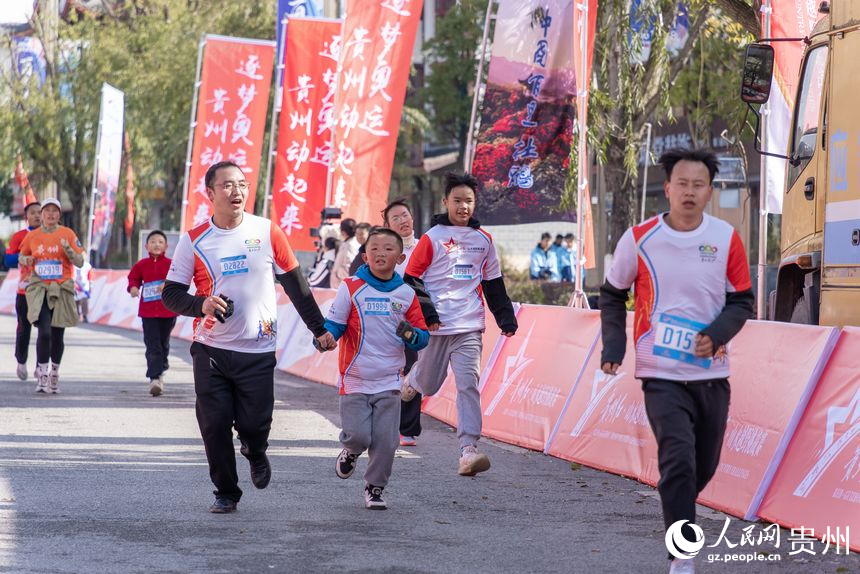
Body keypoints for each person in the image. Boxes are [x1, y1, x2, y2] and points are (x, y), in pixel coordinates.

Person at [599, 149, 754, 574]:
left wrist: (715, 335)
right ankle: (682, 557)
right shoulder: (640, 238)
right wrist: (613, 348)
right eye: (681, 184)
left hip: (712, 373)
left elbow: (743, 300)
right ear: (668, 189)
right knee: (679, 459)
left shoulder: (725, 238)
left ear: (709, 192)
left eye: (697, 184)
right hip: (661, 372)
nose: (689, 191)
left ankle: (677, 499)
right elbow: (612, 294)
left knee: (702, 466)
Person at [161, 160, 337, 514]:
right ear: (210, 193)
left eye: (241, 184)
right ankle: (225, 491)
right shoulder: (194, 241)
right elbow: (171, 294)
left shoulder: (267, 231)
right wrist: (202, 304)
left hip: (258, 347)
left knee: (256, 424)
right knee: (213, 425)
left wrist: (319, 329)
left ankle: (255, 450)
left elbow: (297, 286)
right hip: (211, 348)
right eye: (227, 185)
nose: (236, 191)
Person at [402, 172, 518, 476]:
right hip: (438, 327)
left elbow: (493, 283)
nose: (463, 206)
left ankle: (469, 450)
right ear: (446, 202)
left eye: (468, 201)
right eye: (457, 201)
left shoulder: (484, 240)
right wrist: (429, 316)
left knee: (469, 385)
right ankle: (413, 380)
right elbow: (411, 279)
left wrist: (505, 318)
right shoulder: (433, 237)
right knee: (429, 384)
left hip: (469, 327)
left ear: (475, 203)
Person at [323, 228, 429, 509]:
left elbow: (422, 334)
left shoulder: (406, 293)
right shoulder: (351, 286)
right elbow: (335, 323)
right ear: (365, 255)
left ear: (400, 256)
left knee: (386, 442)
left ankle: (375, 488)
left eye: (388, 249)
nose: (381, 253)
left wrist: (411, 335)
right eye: (375, 249)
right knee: (358, 435)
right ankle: (351, 450)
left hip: (389, 379)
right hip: (355, 377)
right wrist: (327, 337)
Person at [18, 198, 84, 394]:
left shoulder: (68, 234)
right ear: (42, 214)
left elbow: (80, 261)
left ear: (59, 215)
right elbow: (22, 256)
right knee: (44, 332)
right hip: (40, 289)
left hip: (62, 288)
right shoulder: (33, 236)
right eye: (47, 211)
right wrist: (27, 259)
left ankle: (55, 372)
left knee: (57, 334)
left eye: (54, 211)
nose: (50, 214)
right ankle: (43, 373)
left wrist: (69, 250)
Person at [379, 199, 422, 447]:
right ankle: (385, 424)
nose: (403, 221)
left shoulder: (426, 246)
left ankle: (407, 429)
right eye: (396, 218)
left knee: (413, 370)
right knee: (391, 370)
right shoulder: (384, 251)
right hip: (389, 319)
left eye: (405, 215)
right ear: (387, 225)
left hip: (417, 321)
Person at [128, 230, 179, 397]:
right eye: (153, 241)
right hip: (148, 313)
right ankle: (155, 378)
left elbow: (179, 279)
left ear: (166, 246)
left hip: (167, 311)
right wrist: (134, 288)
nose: (156, 244)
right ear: (146, 246)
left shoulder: (171, 264)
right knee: (152, 344)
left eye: (160, 242)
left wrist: (168, 284)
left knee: (163, 343)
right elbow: (133, 278)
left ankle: (161, 368)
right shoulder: (141, 265)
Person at [5, 201, 40, 381]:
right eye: (33, 213)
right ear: (26, 217)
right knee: (24, 329)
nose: (37, 216)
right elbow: (9, 261)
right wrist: (24, 257)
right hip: (25, 291)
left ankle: (41, 366)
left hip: (47, 291)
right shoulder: (20, 236)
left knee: (46, 330)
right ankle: (21, 361)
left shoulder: (54, 236)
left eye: (39, 212)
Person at [331, 218, 359, 288]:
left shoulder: (351, 245)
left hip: (343, 284)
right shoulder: (348, 242)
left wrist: (337, 274)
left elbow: (349, 266)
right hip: (340, 283)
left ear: (343, 232)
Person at [74, 258, 93, 323]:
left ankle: (85, 315)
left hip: (84, 287)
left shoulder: (87, 266)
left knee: (84, 302)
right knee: (75, 302)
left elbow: (90, 277)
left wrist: (90, 286)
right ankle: (77, 316)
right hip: (75, 286)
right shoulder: (73, 264)